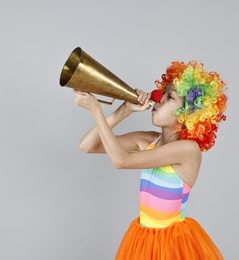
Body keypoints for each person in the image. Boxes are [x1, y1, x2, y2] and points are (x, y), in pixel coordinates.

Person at [73, 60, 227, 260]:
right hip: (143, 241)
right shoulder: (147, 140)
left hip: (172, 247)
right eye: (162, 94)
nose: (158, 99)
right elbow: (87, 146)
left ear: (188, 114)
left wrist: (96, 110)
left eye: (169, 97)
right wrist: (123, 111)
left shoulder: (187, 150)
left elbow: (121, 160)